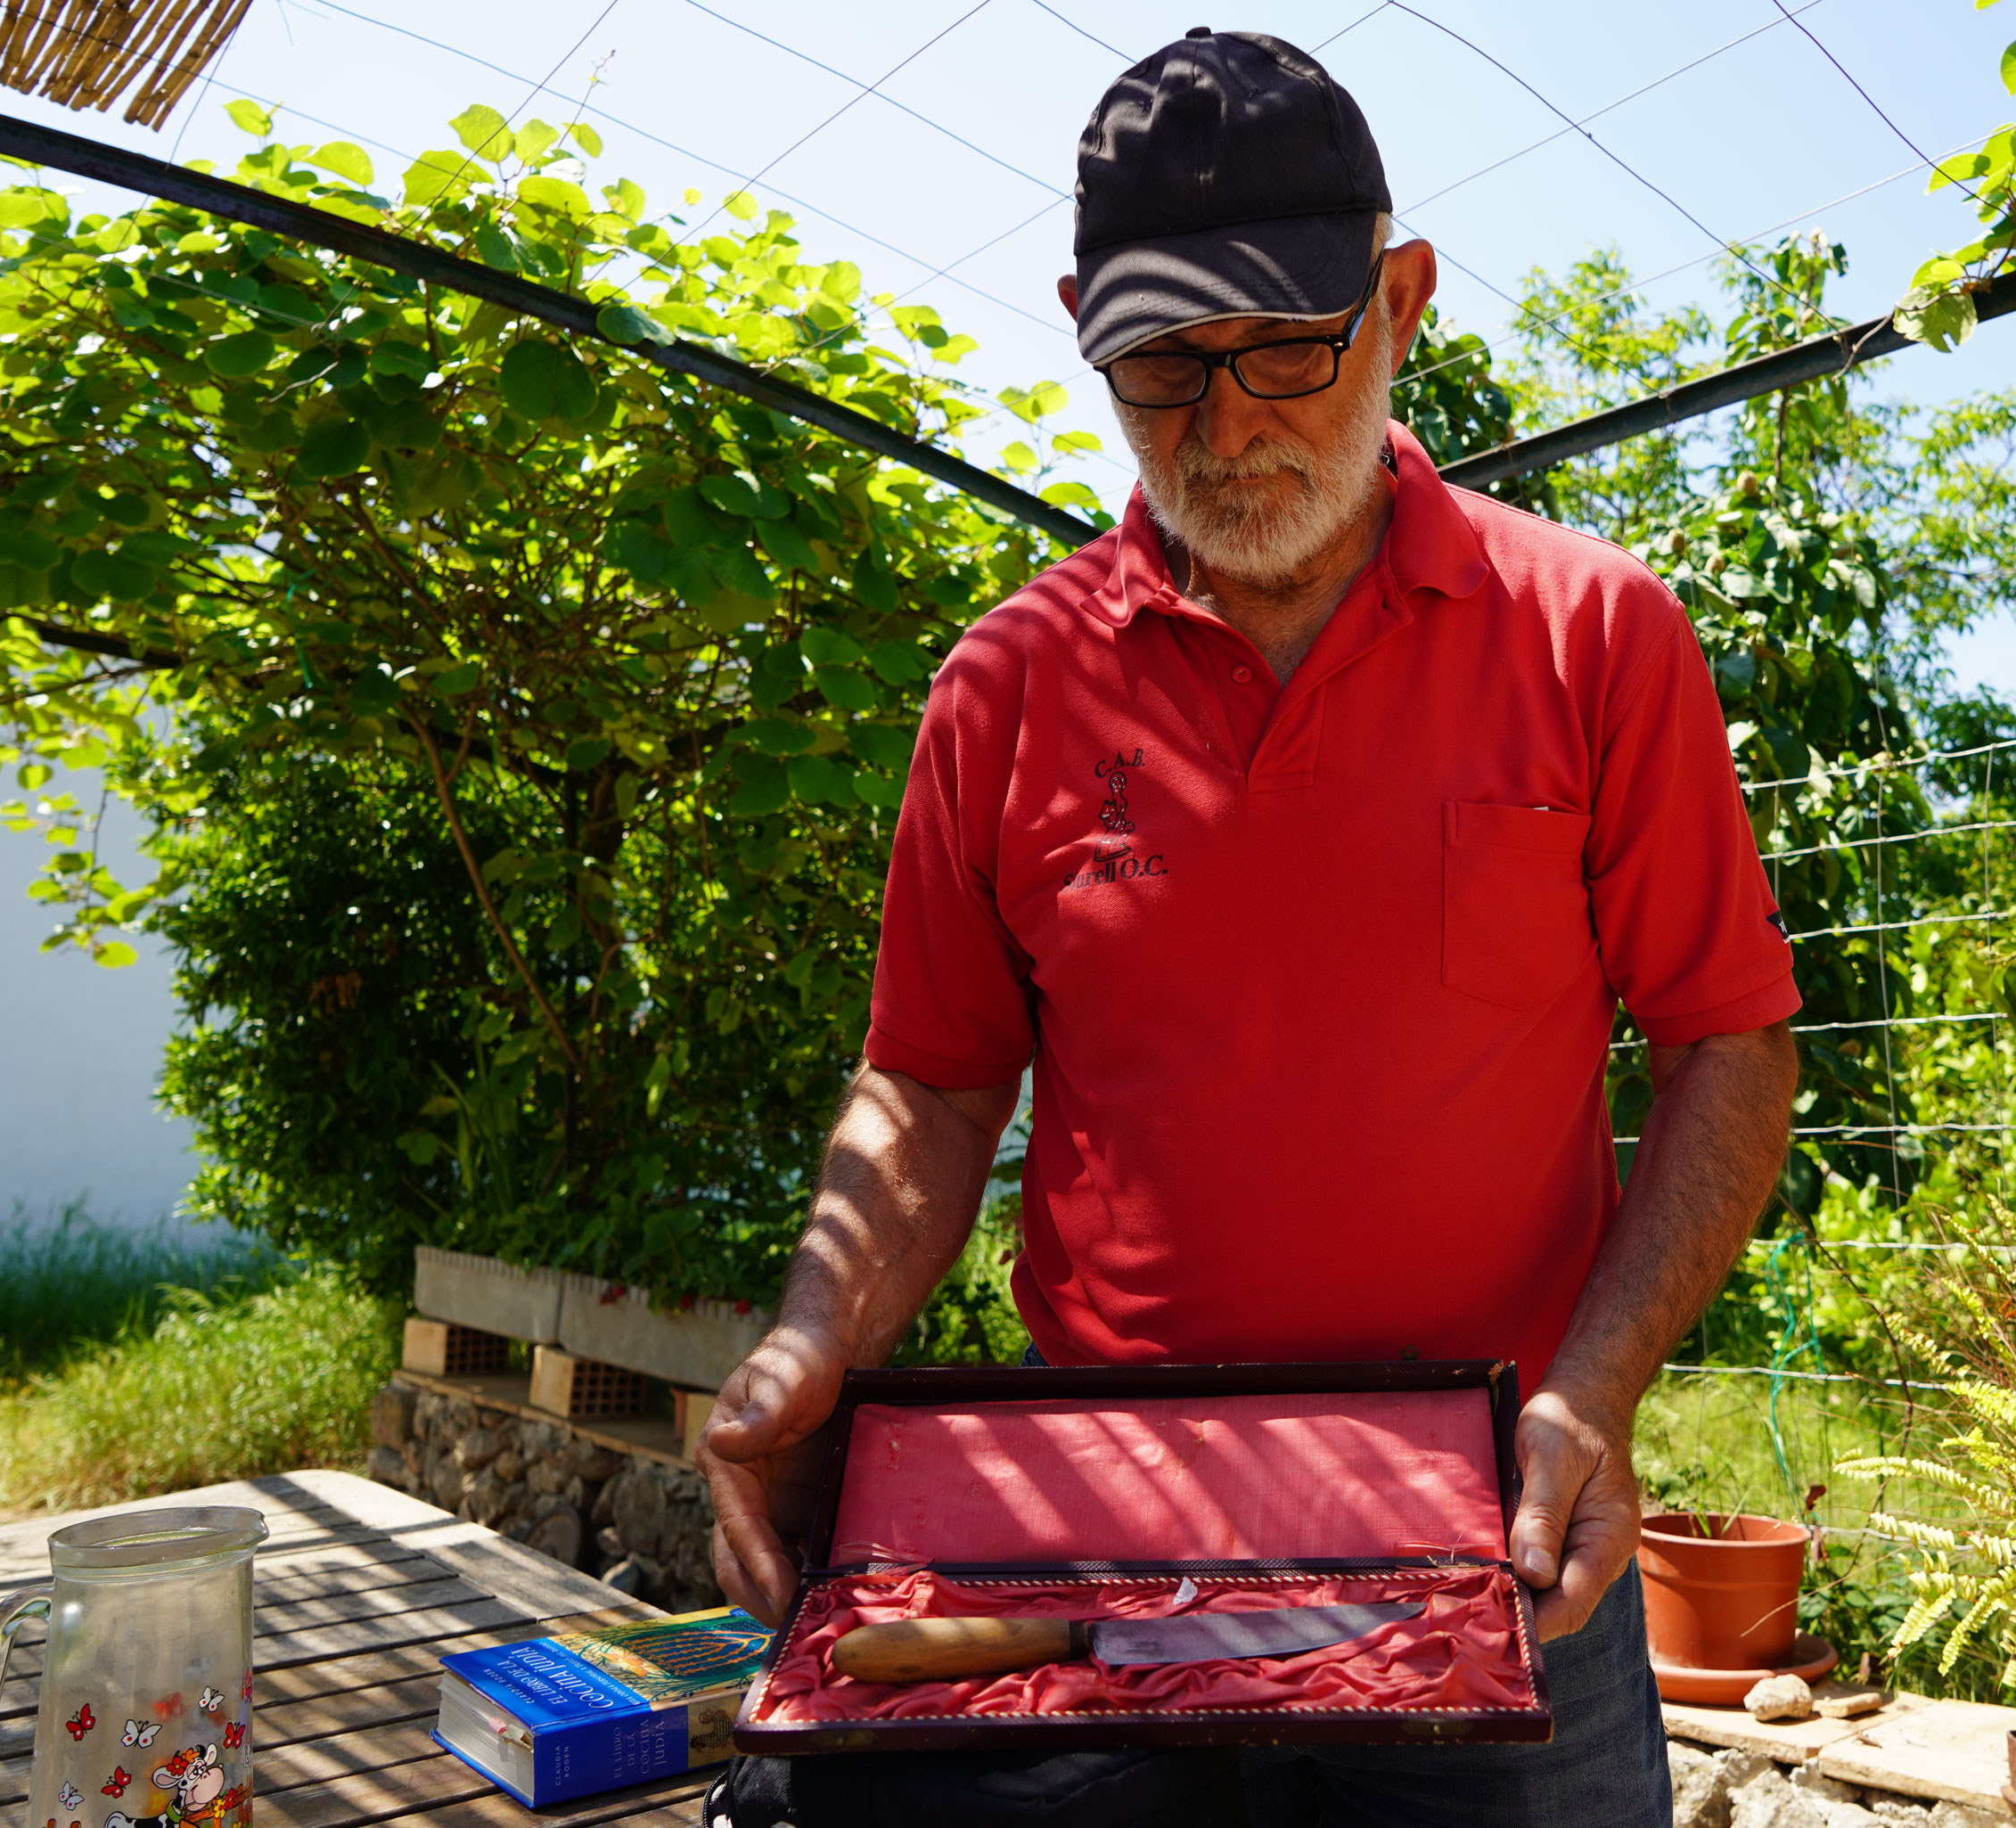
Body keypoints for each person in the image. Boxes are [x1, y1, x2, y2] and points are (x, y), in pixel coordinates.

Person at [697, 28, 1800, 1828]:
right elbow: (933, 1079)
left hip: (1500, 1523)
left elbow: (1726, 1040)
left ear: (1401, 302)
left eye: (1287, 348)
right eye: (1156, 364)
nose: (1226, 426)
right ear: (1081, 327)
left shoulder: (1594, 636)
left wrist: (1591, 1398)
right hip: (1099, 1525)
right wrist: (810, 1340)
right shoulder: (1006, 686)